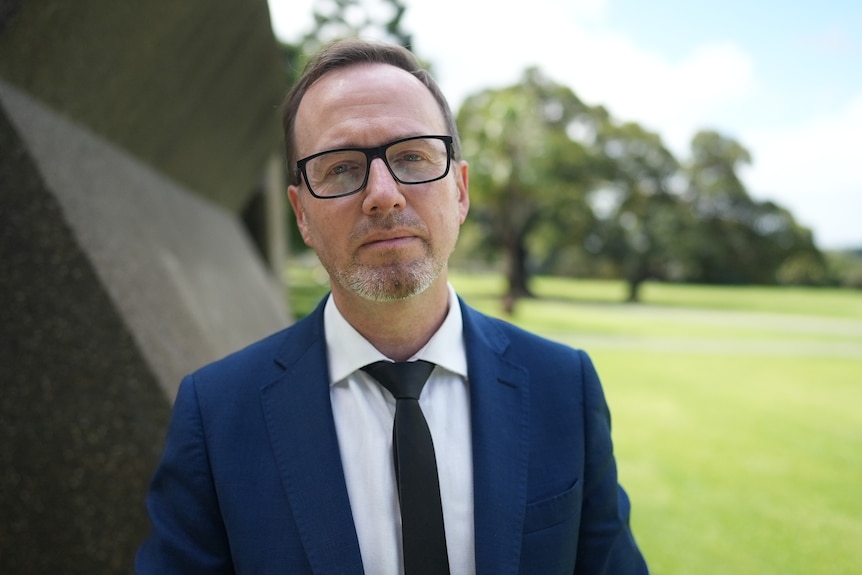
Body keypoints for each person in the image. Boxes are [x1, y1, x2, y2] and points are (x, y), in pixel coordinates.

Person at [136, 38, 648, 575]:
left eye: (412, 157)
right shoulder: (215, 415)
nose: (384, 193)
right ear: (301, 214)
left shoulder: (563, 386)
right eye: (340, 168)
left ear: (461, 190)